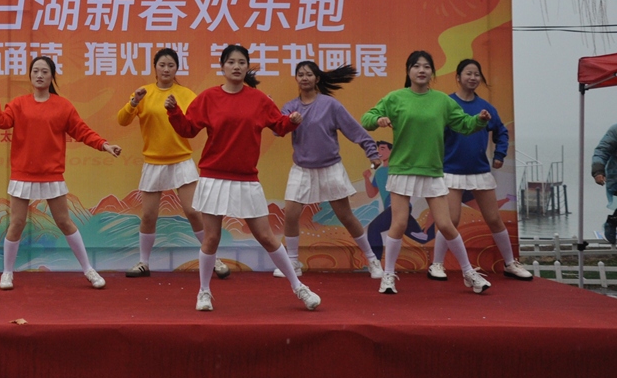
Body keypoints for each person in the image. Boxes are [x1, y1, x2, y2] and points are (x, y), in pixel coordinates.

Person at [165, 44, 320, 313]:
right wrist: (174, 112)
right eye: (231, 62)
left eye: (241, 62)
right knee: (211, 238)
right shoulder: (209, 97)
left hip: (247, 179)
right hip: (214, 177)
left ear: (247, 67)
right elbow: (188, 129)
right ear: (222, 67)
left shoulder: (259, 100)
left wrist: (292, 121)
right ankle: (204, 291)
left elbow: (279, 125)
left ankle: (299, 287)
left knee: (266, 236)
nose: (236, 67)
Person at [362, 50, 493, 295]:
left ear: (432, 72)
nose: (421, 70)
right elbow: (367, 118)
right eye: (416, 66)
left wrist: (479, 120)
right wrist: (378, 120)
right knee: (399, 223)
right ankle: (388, 276)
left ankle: (468, 273)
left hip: (432, 170)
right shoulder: (396, 98)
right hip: (403, 169)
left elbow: (464, 124)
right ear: (408, 71)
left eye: (426, 66)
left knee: (446, 224)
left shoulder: (442, 101)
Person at [0, 56, 122, 291]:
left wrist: (104, 145)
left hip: (51, 174)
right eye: (35, 71)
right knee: (16, 223)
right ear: (30, 76)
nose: (39, 75)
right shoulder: (19, 104)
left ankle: (89, 269)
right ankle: (7, 273)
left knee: (64, 222)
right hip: (23, 174)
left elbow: (82, 131)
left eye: (44, 72)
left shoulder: (63, 106)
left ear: (52, 77)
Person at [116, 47, 230, 279]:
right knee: (148, 215)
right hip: (153, 161)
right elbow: (122, 120)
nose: (166, 69)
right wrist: (134, 102)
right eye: (162, 65)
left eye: (171, 65)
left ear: (177, 68)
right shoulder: (143, 93)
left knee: (193, 212)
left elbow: (202, 120)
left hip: (181, 160)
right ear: (155, 68)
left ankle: (213, 259)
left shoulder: (186, 94)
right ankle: (143, 263)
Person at [278, 61, 384, 279]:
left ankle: (372, 259)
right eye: (300, 74)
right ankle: (292, 262)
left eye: (309, 74)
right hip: (302, 169)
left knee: (345, 215)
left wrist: (371, 151)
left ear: (317, 79)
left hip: (330, 167)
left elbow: (354, 129)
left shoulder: (330, 105)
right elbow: (278, 128)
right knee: (291, 214)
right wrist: (290, 121)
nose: (304, 77)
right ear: (296, 78)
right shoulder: (290, 107)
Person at [432, 59, 531, 280]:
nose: (473, 78)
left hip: (479, 171)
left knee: (494, 219)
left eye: (477, 74)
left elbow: (501, 132)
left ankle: (510, 263)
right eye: (468, 73)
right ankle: (436, 265)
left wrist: (499, 155)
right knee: (450, 221)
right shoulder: (447, 104)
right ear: (458, 77)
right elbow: (432, 133)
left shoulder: (486, 107)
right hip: (451, 171)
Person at [590, 122, 617, 245]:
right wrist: (598, 171)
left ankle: (613, 221)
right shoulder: (615, 130)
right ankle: (612, 222)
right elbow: (601, 151)